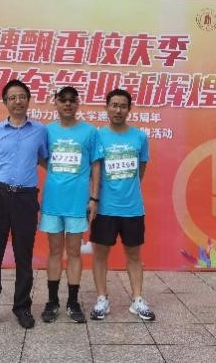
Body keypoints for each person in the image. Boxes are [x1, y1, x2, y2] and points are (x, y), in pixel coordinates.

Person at [0, 79, 48, 332]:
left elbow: (46, 160)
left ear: (28, 100)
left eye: (22, 97)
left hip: (25, 199)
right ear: (5, 102)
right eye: (12, 97)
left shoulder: (40, 131)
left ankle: (22, 307)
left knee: (23, 255)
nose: (18, 101)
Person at [90, 88, 155, 321]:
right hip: (104, 208)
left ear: (129, 109)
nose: (118, 110)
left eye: (123, 106)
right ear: (107, 108)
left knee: (134, 255)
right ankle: (101, 299)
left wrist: (128, 190)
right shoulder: (98, 136)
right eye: (114, 105)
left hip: (132, 208)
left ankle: (137, 299)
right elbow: (95, 170)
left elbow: (141, 170)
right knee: (100, 255)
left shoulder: (140, 137)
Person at [39, 86, 101, 324]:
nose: (67, 104)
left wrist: (94, 198)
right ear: (55, 102)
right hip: (53, 202)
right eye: (62, 100)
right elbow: (43, 158)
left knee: (74, 252)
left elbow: (95, 165)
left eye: (71, 100)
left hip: (77, 203)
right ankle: (52, 301)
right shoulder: (47, 131)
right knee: (55, 251)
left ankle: (73, 302)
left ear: (77, 104)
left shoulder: (89, 132)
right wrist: (57, 173)